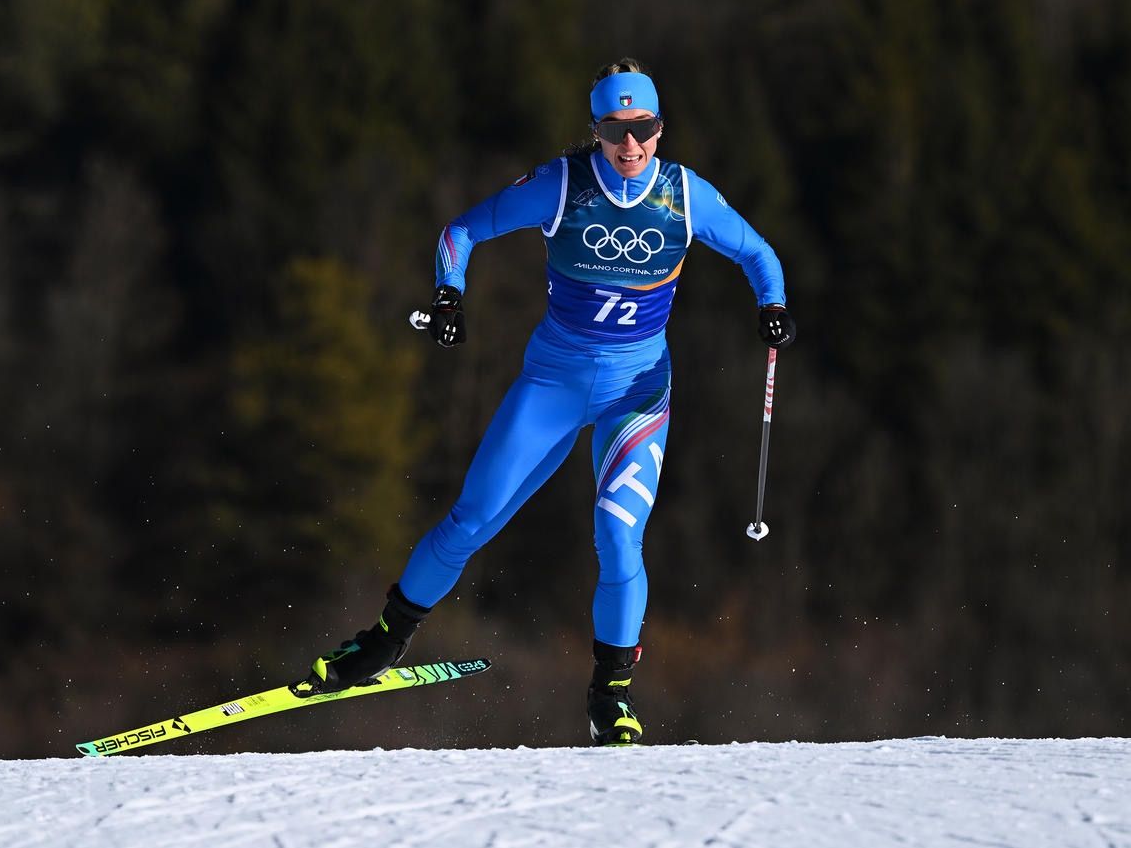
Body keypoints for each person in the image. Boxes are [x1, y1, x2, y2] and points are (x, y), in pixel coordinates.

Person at [293, 58, 796, 746]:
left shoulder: (685, 195)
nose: (630, 145)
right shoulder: (562, 185)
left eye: (643, 128)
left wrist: (772, 306)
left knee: (617, 535)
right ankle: (383, 641)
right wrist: (448, 296)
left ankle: (610, 695)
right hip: (552, 385)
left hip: (636, 392)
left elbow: (759, 253)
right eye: (614, 130)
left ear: (661, 128)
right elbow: (459, 232)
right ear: (595, 130)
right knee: (470, 520)